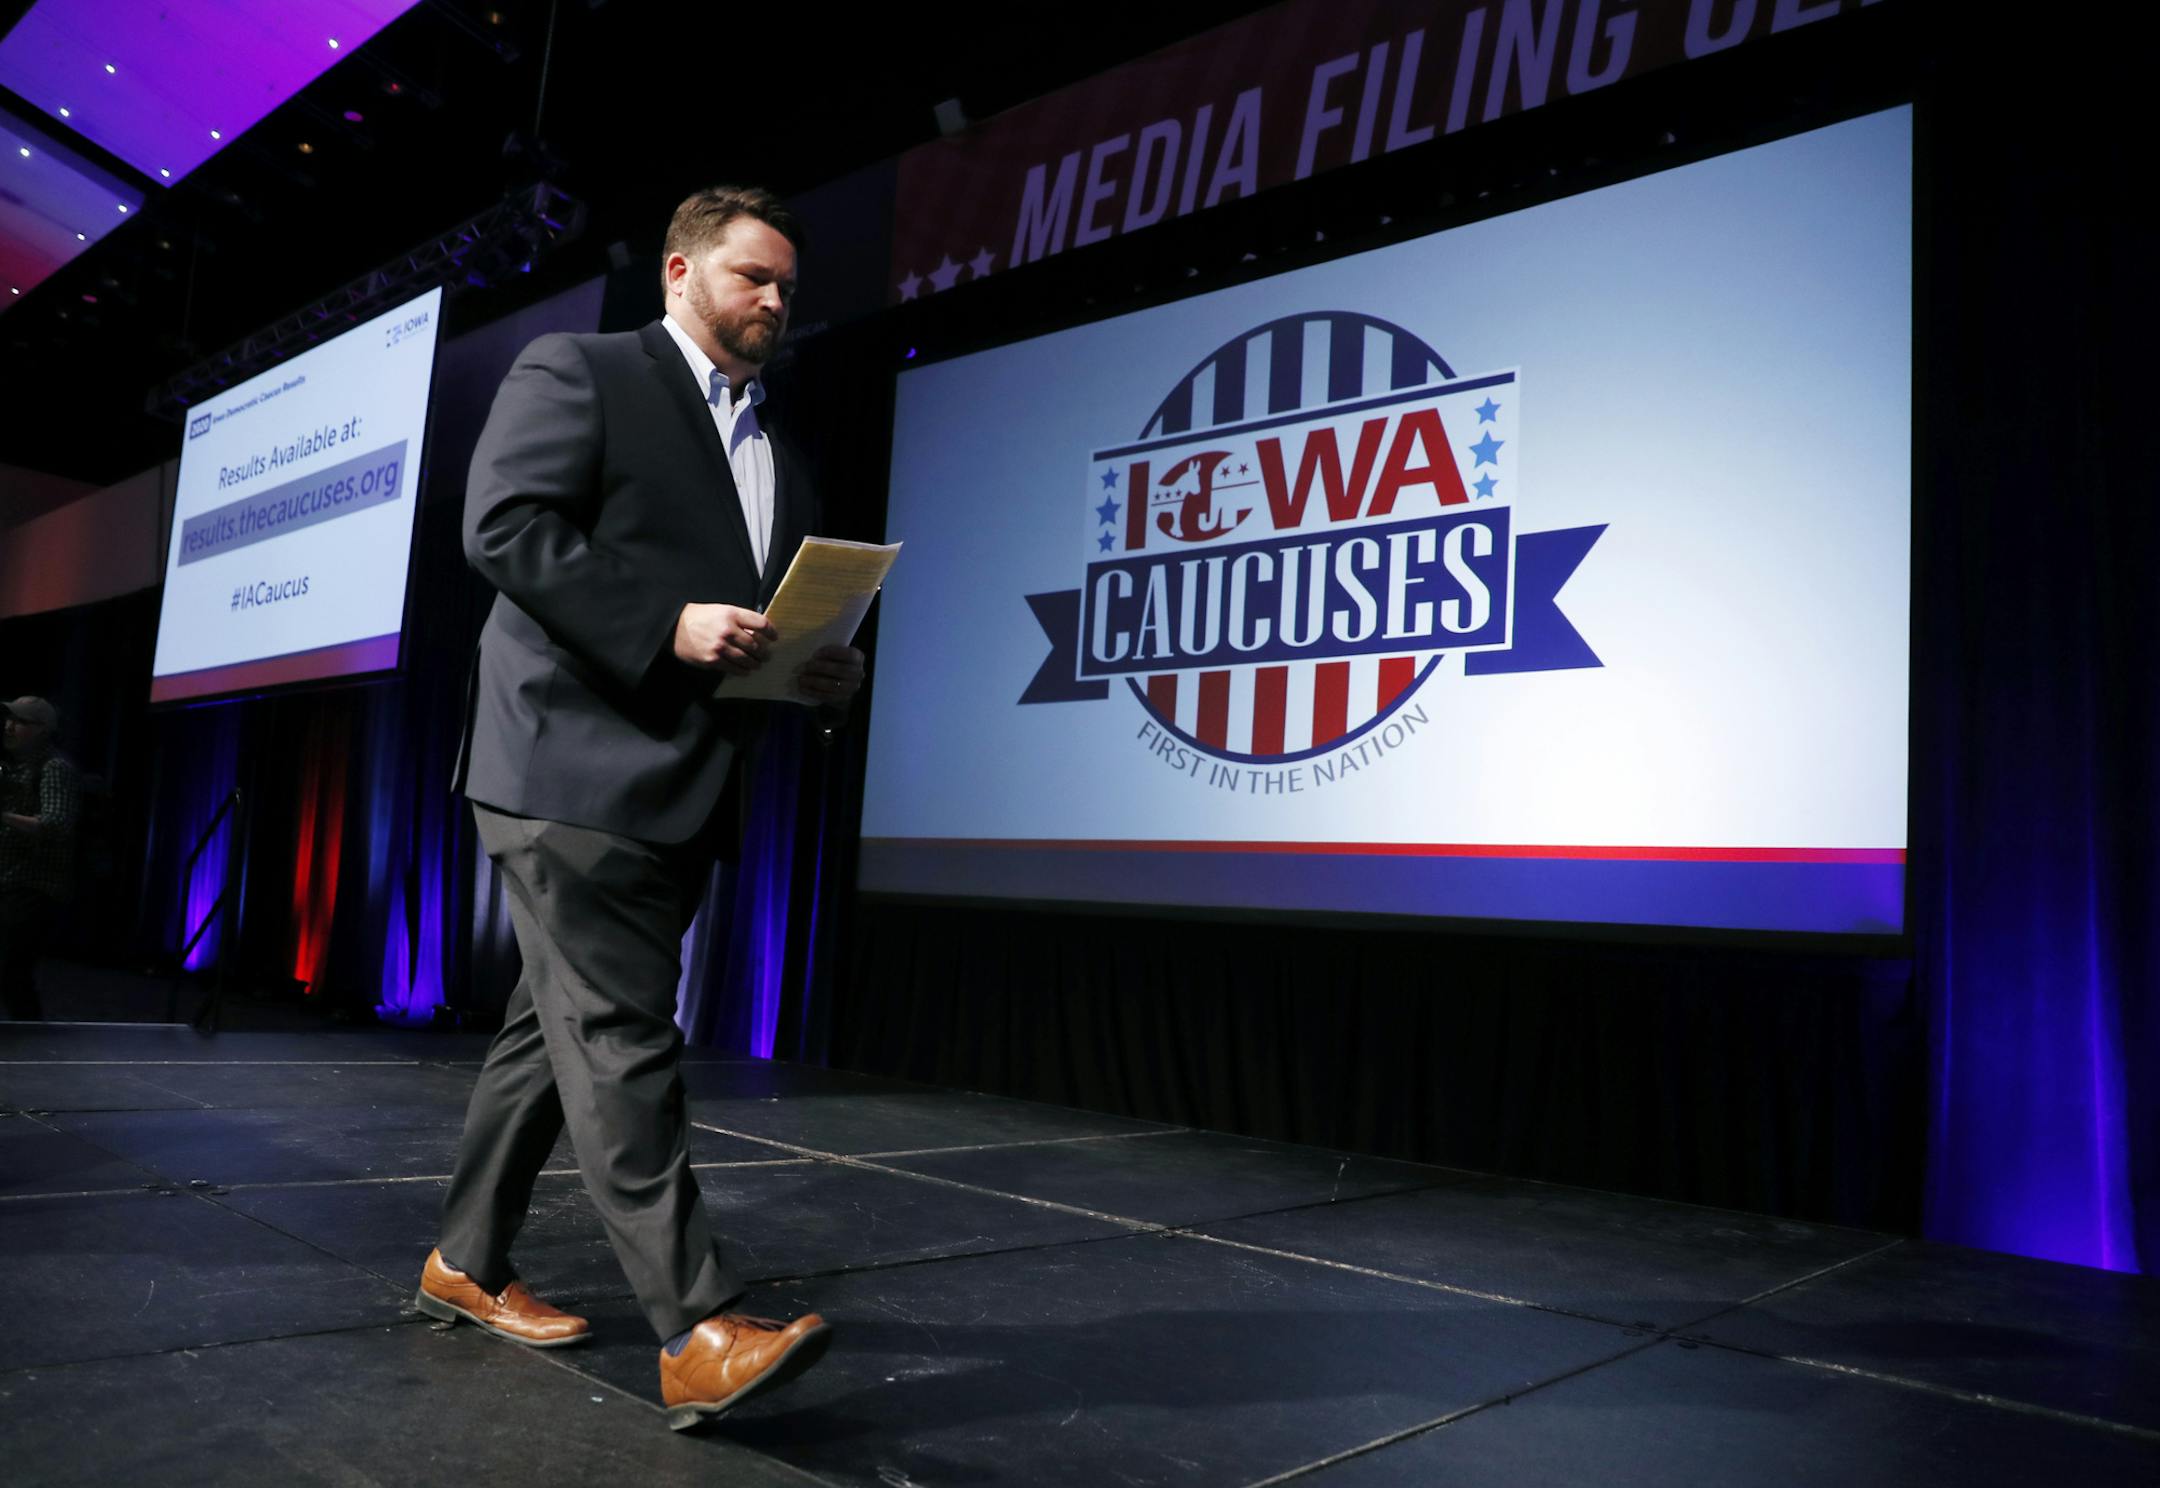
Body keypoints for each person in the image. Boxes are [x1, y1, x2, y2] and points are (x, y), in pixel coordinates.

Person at [423, 185, 864, 1430]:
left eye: (786, 285)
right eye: (750, 277)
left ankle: (463, 1259)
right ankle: (696, 1326)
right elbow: (503, 526)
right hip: (566, 766)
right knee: (622, 1035)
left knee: (548, 1038)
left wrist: (816, 672)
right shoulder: (583, 369)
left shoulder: (782, 448)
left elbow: (760, 628)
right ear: (679, 273)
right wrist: (662, 623)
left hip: (679, 783)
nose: (774, 301)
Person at [0, 696, 79, 1022]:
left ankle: (34, 1046)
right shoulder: (14, 768)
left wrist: (4, 815)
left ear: (43, 730)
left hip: (34, 887)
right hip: (9, 882)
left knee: (11, 972)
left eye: (20, 721)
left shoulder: (54, 768)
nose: (9, 726)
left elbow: (57, 825)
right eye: (9, 719)